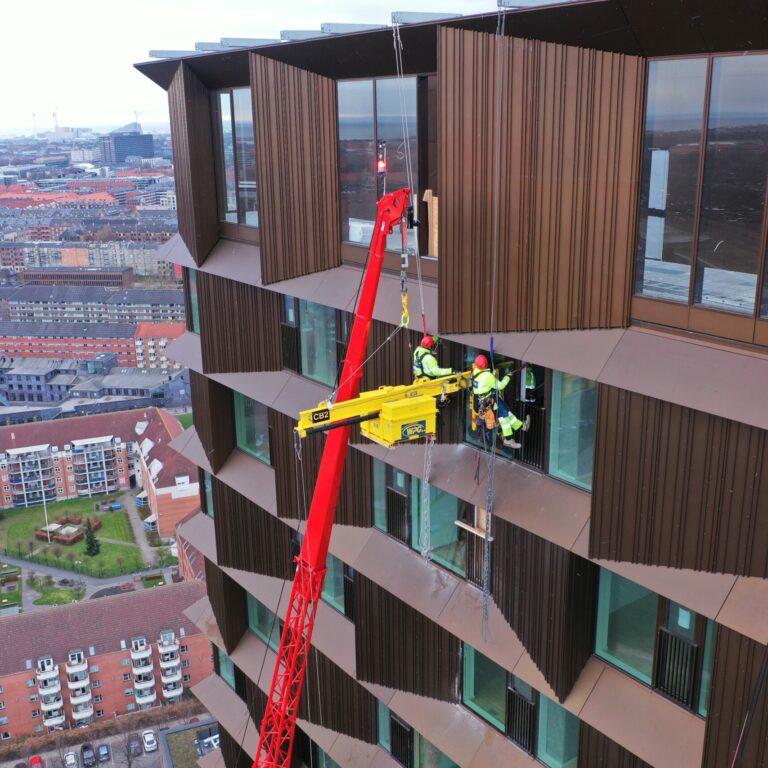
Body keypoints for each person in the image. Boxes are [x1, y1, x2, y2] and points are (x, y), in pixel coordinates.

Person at [471, 354, 530, 448]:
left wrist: (493, 376)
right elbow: (500, 386)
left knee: (507, 412)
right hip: (491, 402)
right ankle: (508, 439)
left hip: (486, 401)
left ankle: (521, 426)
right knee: (504, 416)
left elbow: (487, 382)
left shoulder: (475, 372)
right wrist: (507, 377)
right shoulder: (487, 376)